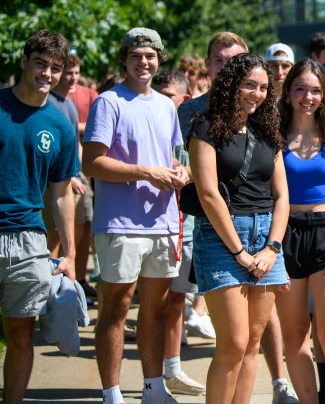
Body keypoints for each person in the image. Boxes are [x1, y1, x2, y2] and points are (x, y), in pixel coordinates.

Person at [178, 31, 299, 404]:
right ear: (231, 84)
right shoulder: (205, 125)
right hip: (222, 238)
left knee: (251, 345)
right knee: (232, 343)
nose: (258, 94)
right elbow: (208, 192)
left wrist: (272, 247)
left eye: (263, 87)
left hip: (266, 237)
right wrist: (240, 252)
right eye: (249, 85)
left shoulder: (268, 130)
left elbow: (282, 196)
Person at [82, 28, 188, 404]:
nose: (144, 62)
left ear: (159, 59)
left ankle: (153, 388)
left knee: (155, 310)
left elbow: (173, 157)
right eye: (136, 56)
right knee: (116, 307)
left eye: (150, 56)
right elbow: (92, 162)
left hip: (162, 222)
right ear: (123, 60)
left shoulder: (164, 104)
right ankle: (112, 394)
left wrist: (180, 172)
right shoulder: (108, 102)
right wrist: (147, 172)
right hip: (119, 223)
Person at [0, 30, 80, 404]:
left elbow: (62, 193)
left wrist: (70, 254)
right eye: (41, 63)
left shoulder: (60, 125)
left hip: (29, 240)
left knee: (20, 334)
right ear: (24, 61)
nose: (47, 73)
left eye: (55, 67)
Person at [277, 59, 325, 404]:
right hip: (286, 235)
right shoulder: (274, 137)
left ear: (323, 95)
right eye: (300, 89)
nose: (307, 97)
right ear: (289, 92)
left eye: (314, 90)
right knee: (294, 336)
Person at [151, 71, 206, 397]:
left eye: (168, 95)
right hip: (149, 229)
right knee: (151, 306)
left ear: (183, 99)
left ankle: (172, 371)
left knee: (175, 303)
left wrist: (188, 173)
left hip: (184, 229)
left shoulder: (188, 130)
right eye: (157, 93)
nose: (161, 100)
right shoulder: (148, 124)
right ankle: (153, 379)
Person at [49, 53, 94, 301]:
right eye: (68, 72)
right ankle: (52, 280)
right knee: (56, 231)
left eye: (76, 72)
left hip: (76, 174)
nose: (72, 77)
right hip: (61, 180)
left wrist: (81, 172)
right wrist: (70, 177)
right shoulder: (50, 103)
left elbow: (74, 143)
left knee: (84, 225)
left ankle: (76, 280)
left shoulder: (68, 103)